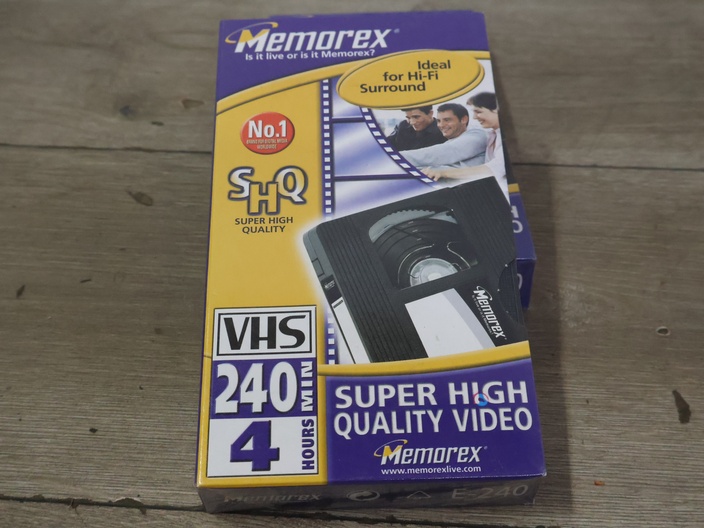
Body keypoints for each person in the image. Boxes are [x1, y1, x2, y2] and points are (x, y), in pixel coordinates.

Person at [422, 93, 508, 200]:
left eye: (478, 112)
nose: (474, 117)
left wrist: (442, 172)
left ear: (497, 110)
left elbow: (491, 170)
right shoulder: (492, 135)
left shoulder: (507, 137)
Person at [399, 103, 486, 169]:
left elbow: (444, 152)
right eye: (439, 121)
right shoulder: (452, 141)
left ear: (464, 119)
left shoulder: (478, 135)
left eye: (447, 120)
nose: (441, 125)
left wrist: (396, 157)